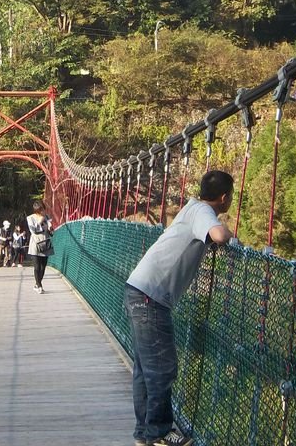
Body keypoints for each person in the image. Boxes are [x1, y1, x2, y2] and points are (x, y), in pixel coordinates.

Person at [124, 170, 234, 446]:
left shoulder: (191, 207)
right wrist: (229, 232)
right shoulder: (202, 212)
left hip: (139, 289)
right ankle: (159, 432)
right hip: (151, 297)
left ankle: (145, 432)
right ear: (224, 198)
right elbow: (219, 235)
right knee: (162, 367)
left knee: (145, 368)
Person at [26, 200, 53, 293]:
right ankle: (39, 286)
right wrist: (39, 222)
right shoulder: (30, 218)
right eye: (41, 210)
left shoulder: (47, 217)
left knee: (43, 266)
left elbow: (50, 232)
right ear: (37, 210)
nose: (43, 212)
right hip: (35, 243)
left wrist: (50, 229)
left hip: (45, 243)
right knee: (37, 266)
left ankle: (37, 283)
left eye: (43, 210)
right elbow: (33, 230)